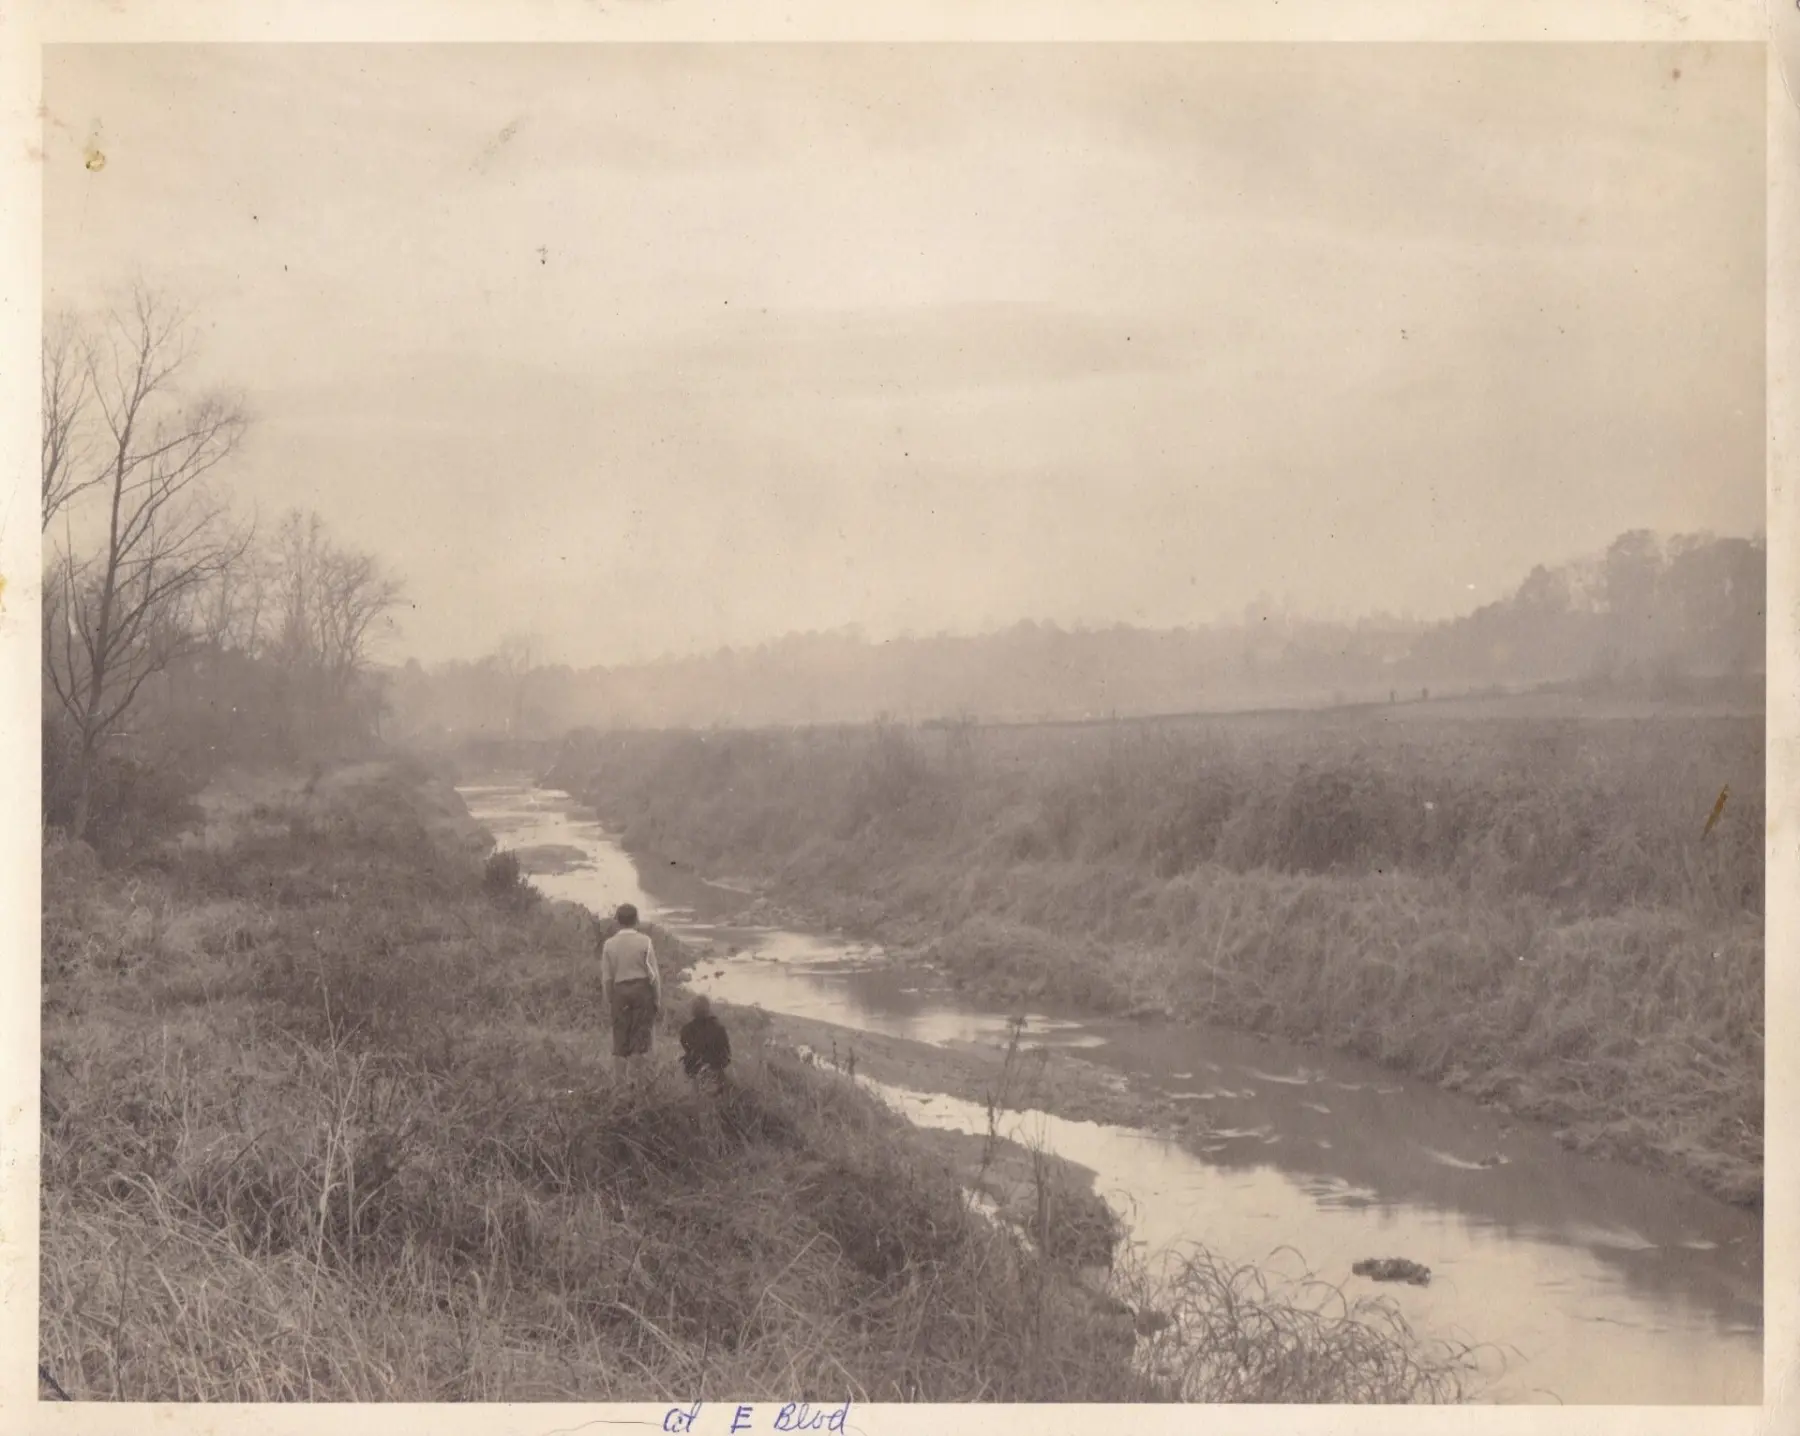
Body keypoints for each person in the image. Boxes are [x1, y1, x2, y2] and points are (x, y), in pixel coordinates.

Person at [600, 903, 660, 1080]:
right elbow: (653, 975)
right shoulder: (645, 941)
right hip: (642, 991)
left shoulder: (609, 945)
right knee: (640, 1041)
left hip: (619, 991)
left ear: (617, 921)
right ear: (637, 921)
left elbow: (607, 977)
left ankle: (620, 1084)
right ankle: (637, 1082)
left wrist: (610, 999)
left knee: (620, 1041)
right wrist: (657, 998)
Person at [679, 994, 732, 1088]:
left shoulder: (686, 1030)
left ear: (693, 1011)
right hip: (716, 1075)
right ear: (708, 1009)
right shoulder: (719, 1028)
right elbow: (727, 1057)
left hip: (693, 1073)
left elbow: (686, 1048)